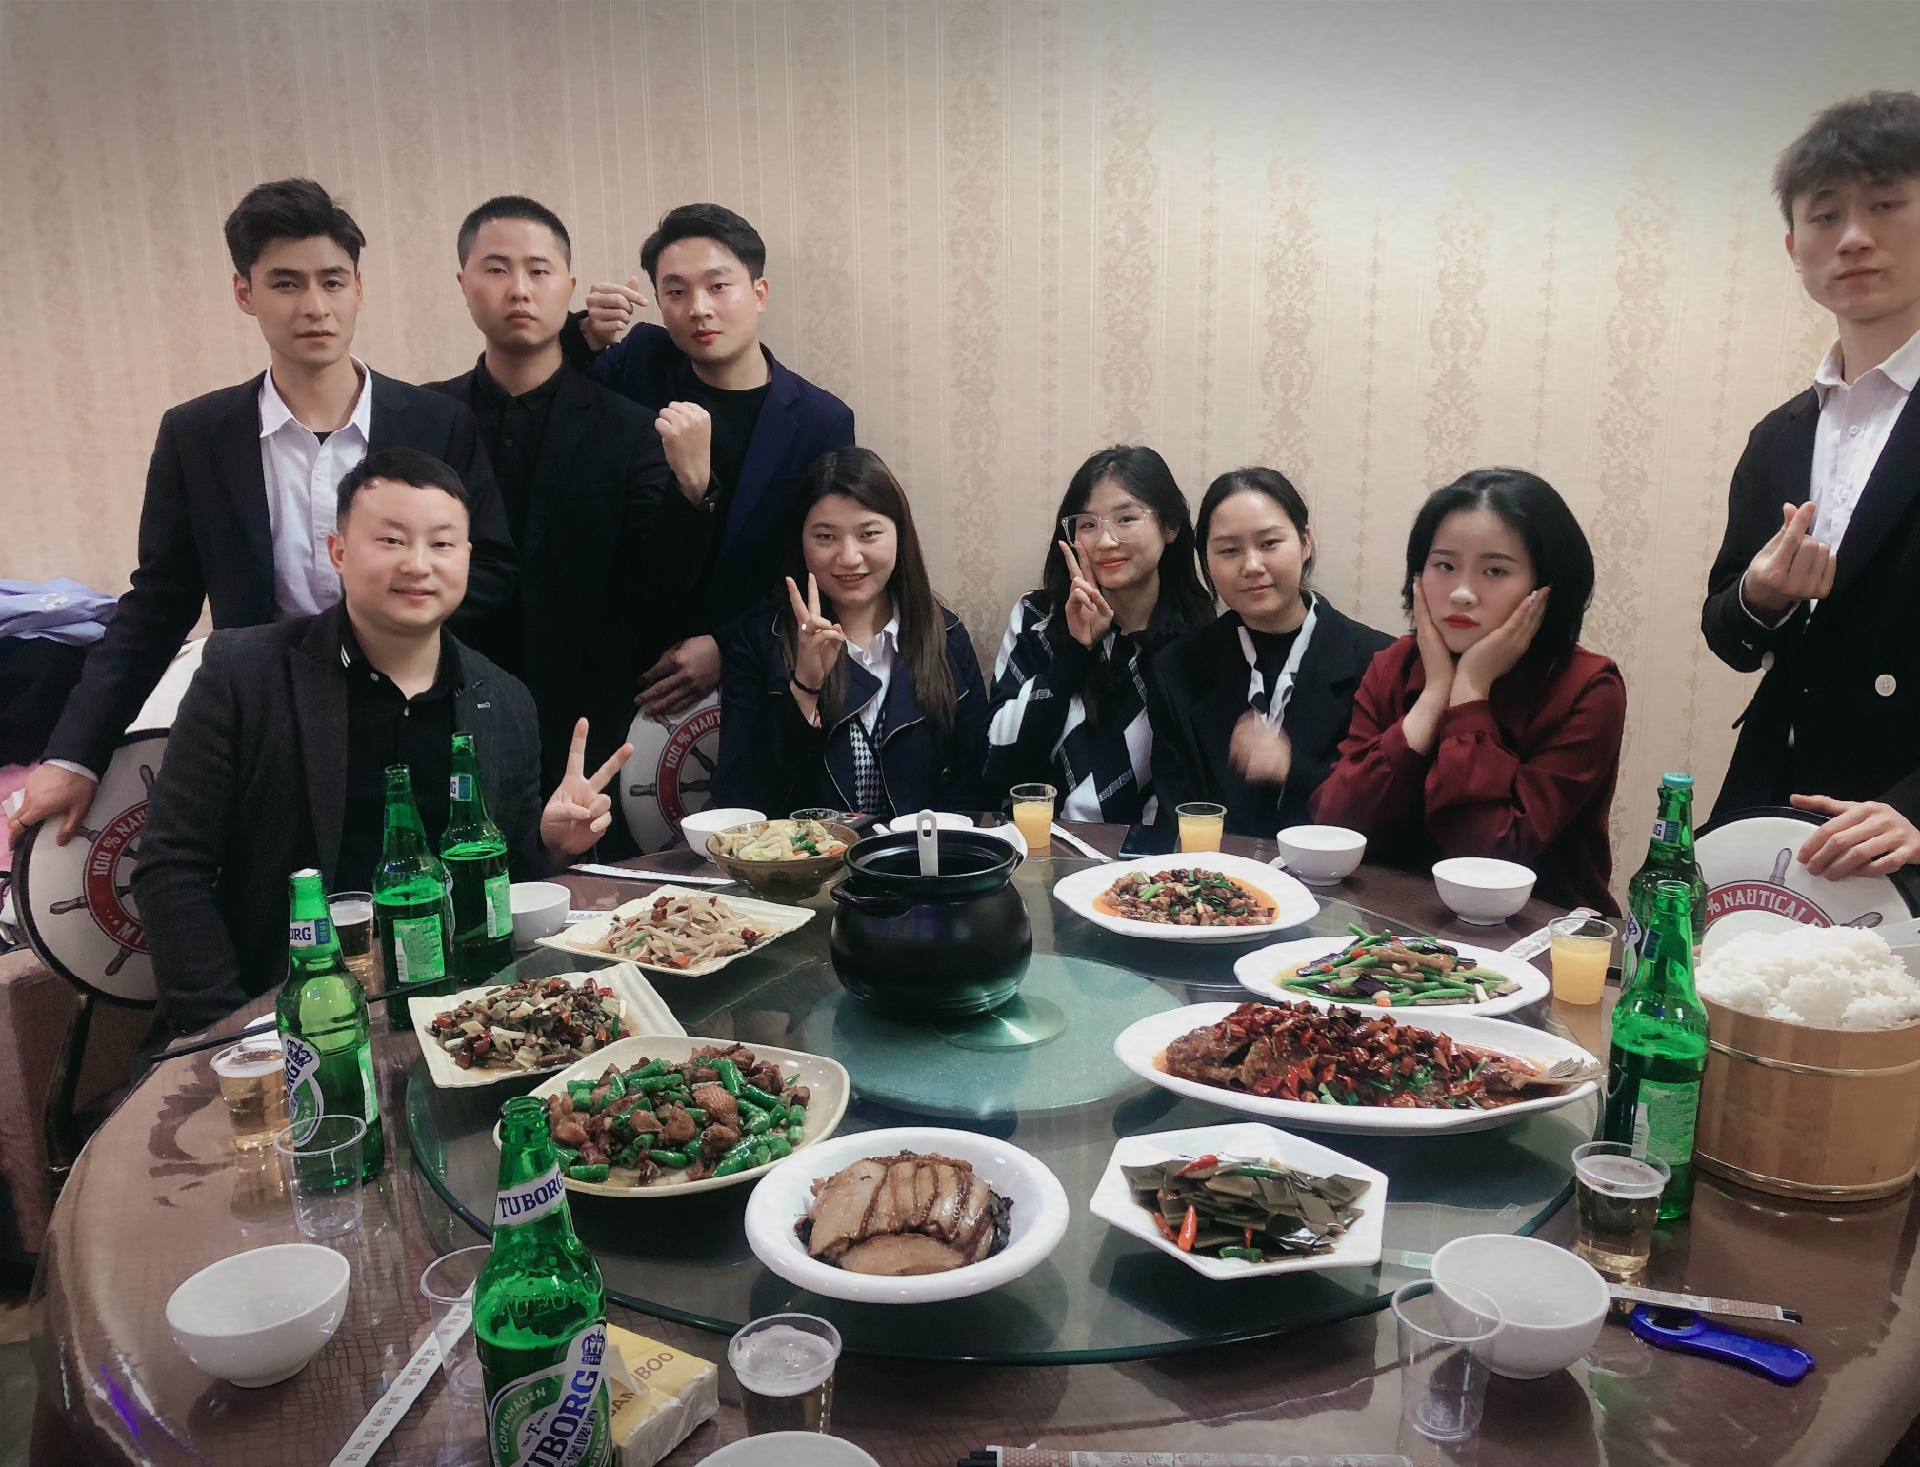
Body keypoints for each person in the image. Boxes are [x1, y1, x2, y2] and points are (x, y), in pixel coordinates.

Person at [8, 178, 517, 853]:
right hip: (268, 720)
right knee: (276, 898)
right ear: (244, 292)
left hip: (413, 708)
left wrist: (393, 628)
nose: (315, 306)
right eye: (286, 283)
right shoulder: (199, 435)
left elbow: (491, 568)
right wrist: (75, 753)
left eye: (332, 281)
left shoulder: (436, 423)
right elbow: (158, 603)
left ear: (358, 288)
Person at [132, 448, 627, 1044]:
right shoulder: (244, 674)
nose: (418, 564)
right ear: (338, 551)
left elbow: (501, 885)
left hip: (468, 1019)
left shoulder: (504, 699)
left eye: (441, 544)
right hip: (290, 1017)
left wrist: (549, 846)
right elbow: (170, 867)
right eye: (391, 540)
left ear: (467, 558)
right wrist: (233, 1031)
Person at [426, 195, 709, 813]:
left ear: (570, 286)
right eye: (496, 269)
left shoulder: (629, 427)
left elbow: (656, 589)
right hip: (444, 700)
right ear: (463, 284)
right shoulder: (425, 419)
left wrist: (692, 492)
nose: (519, 289)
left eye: (539, 270)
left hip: (590, 711)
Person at [1703, 90, 1920, 880]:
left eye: (1886, 204)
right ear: (1796, 248)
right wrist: (1761, 595)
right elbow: (1727, 630)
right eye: (1826, 216)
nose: (1853, 237)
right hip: (1774, 798)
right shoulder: (1780, 434)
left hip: (1898, 821)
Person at [563, 204, 856, 718]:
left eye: (718, 286)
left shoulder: (820, 421)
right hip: (620, 669)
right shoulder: (640, 361)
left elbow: (818, 562)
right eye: (676, 292)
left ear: (759, 294)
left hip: (754, 674)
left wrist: (729, 644)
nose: (698, 308)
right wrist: (582, 334)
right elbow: (552, 410)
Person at [1312, 469, 1626, 913]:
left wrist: (1471, 692)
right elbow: (1333, 830)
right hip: (1392, 925)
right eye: (1444, 566)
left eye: (1495, 570)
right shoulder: (1394, 665)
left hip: (1537, 933)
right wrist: (1434, 696)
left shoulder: (1588, 686)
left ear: (1546, 587)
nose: (1461, 593)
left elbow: (1488, 858)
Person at [712, 448, 988, 819]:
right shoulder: (761, 641)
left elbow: (974, 787)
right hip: (806, 854)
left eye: (868, 534)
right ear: (801, 541)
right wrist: (804, 688)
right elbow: (739, 803)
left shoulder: (946, 637)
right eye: (826, 537)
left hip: (922, 853)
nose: (849, 557)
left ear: (899, 534)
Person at [1148, 469, 1390, 839]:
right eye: (1229, 550)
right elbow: (1176, 816)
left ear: (1305, 542)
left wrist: (1292, 770)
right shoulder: (1177, 667)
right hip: (1213, 872)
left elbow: (1387, 814)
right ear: (1207, 563)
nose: (1251, 565)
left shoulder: (1378, 663)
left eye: (1269, 543)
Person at [986, 446, 1214, 823]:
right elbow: (997, 763)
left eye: (1126, 519)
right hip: (1032, 843)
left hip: (1143, 855)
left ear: (1170, 526)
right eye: (1088, 524)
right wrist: (1073, 653)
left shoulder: (1199, 644)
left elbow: (1191, 792)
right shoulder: (1036, 619)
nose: (1105, 542)